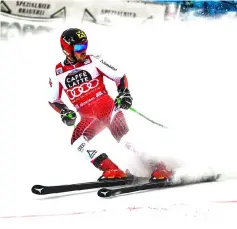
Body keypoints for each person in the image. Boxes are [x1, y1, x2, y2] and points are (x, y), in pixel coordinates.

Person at [48, 28, 172, 181]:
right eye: (79, 48)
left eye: (85, 46)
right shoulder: (58, 72)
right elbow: (53, 100)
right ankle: (112, 170)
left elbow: (120, 77)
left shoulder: (93, 60)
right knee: (78, 143)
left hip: (107, 108)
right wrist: (64, 111)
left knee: (125, 139)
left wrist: (124, 93)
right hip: (88, 116)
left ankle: (161, 167)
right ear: (67, 49)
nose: (84, 51)